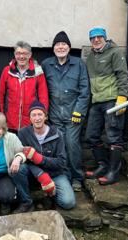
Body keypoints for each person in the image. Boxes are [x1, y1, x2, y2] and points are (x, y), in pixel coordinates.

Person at [41, 31, 90, 192]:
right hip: (54, 115)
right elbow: (41, 88)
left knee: (72, 144)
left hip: (73, 115)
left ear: (69, 47)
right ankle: (65, 176)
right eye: (57, 45)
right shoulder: (46, 64)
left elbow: (85, 90)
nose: (60, 47)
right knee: (59, 147)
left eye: (64, 44)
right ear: (53, 48)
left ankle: (77, 177)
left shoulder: (78, 64)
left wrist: (79, 112)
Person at [84, 27, 128, 186]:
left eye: (99, 37)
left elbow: (123, 75)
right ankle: (102, 165)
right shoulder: (90, 57)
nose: (96, 40)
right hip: (96, 101)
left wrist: (122, 98)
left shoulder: (115, 52)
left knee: (113, 136)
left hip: (112, 100)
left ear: (105, 38)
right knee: (91, 136)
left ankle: (113, 172)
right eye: (93, 38)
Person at [15, 100, 76, 211]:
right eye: (34, 115)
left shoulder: (57, 134)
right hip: (34, 174)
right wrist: (41, 175)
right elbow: (25, 159)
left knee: (68, 202)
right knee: (19, 167)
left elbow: (62, 162)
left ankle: (51, 197)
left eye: (40, 114)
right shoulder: (23, 133)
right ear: (30, 118)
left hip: (55, 173)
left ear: (45, 117)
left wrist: (40, 159)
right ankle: (26, 202)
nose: (37, 118)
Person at [0, 41, 49, 132]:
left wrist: (42, 117)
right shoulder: (7, 71)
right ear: (14, 54)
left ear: (30, 55)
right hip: (10, 122)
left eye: (24, 53)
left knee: (28, 147)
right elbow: (0, 95)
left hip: (30, 123)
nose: (21, 56)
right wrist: (1, 116)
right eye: (18, 53)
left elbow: (43, 97)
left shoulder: (38, 72)